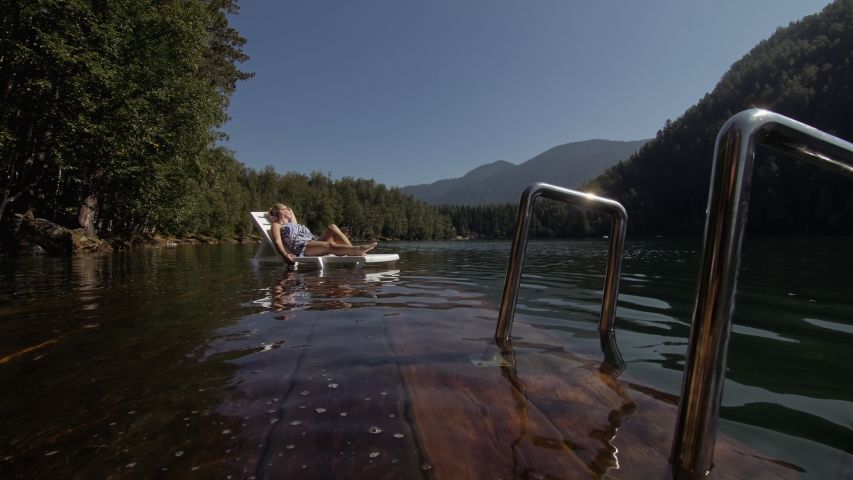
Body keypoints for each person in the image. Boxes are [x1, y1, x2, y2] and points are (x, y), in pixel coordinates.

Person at [268, 204, 377, 265]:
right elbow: (277, 241)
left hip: (313, 241)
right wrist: (284, 255)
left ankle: (351, 251)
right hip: (302, 247)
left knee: (332, 227)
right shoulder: (276, 225)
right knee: (330, 246)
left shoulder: (293, 223)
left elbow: (291, 215)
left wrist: (285, 210)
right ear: (281, 212)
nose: (290, 210)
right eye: (287, 209)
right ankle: (356, 249)